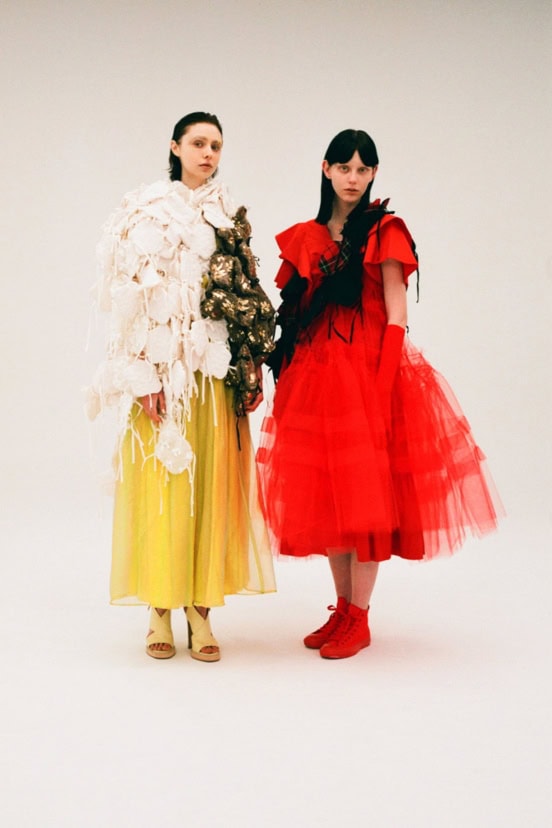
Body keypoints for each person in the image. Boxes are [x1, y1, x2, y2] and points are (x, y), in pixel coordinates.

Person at [257, 128, 503, 660]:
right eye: (344, 167)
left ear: (373, 174)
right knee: (330, 495)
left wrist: (383, 384)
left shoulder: (384, 231)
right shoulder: (306, 237)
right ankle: (342, 609)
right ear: (326, 169)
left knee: (365, 498)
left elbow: (396, 313)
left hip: (368, 373)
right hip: (316, 377)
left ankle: (360, 617)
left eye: (362, 169)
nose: (353, 178)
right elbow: (293, 315)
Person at [86, 112, 276, 661]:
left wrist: (250, 366)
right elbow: (133, 299)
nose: (208, 153)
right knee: (163, 488)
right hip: (165, 376)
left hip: (213, 375)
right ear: (175, 147)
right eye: (198, 142)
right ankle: (159, 608)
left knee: (210, 488)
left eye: (216, 145)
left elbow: (245, 296)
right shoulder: (145, 210)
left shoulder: (229, 215)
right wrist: (145, 377)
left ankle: (201, 610)